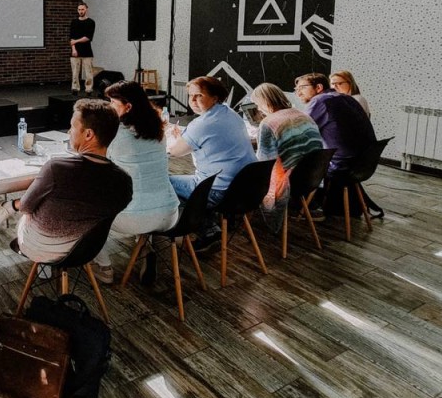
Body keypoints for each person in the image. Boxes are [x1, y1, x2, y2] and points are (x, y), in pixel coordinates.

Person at [0, 99, 132, 268]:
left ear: (88, 134)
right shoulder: (124, 182)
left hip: (39, 249)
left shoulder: (56, 168)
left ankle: (8, 207)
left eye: (72, 126)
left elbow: (27, 207)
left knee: (31, 208)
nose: (69, 131)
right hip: (87, 251)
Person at [91, 81, 179, 284]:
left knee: (91, 207)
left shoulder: (116, 136)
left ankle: (104, 268)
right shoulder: (158, 130)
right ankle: (145, 247)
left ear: (127, 107)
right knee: (140, 191)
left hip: (135, 219)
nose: (109, 106)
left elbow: (97, 167)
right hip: (170, 215)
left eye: (113, 102)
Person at [167, 76, 256, 253]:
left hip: (219, 192)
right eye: (190, 96)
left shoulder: (200, 124)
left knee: (164, 182)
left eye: (198, 96)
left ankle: (205, 230)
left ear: (215, 97)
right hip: (245, 188)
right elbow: (213, 136)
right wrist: (186, 135)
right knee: (200, 180)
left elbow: (174, 152)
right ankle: (210, 226)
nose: (192, 101)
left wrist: (176, 139)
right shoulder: (230, 113)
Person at [295, 72, 377, 216]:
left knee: (295, 161)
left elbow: (300, 131)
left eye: (302, 87)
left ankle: (302, 207)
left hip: (343, 166)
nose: (298, 92)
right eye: (296, 89)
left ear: (319, 87)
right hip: (364, 163)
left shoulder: (320, 101)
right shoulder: (347, 98)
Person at [250, 82, 324, 232]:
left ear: (266, 101)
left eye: (258, 104)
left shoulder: (268, 123)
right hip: (313, 176)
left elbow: (264, 162)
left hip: (290, 182)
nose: (258, 109)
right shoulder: (304, 115)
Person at [69, 1, 96, 96]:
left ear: (86, 10)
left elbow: (88, 37)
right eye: (79, 9)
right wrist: (74, 49)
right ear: (77, 10)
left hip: (87, 51)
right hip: (75, 52)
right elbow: (71, 37)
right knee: (75, 73)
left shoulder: (91, 22)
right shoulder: (74, 22)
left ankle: (88, 90)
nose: (81, 11)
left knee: (88, 73)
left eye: (82, 9)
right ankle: (75, 89)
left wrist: (75, 42)